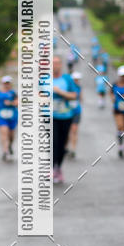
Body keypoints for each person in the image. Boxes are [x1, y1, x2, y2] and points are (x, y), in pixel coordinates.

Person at [52, 54, 78, 183]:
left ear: (61, 65)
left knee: (62, 144)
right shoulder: (44, 79)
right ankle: (52, 167)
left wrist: (60, 92)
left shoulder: (67, 79)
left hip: (66, 116)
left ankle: (58, 167)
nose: (55, 65)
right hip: (50, 116)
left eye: (57, 63)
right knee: (53, 142)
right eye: (52, 63)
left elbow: (74, 96)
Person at [0, 75, 18, 161]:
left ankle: (9, 145)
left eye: (8, 83)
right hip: (1, 116)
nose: (7, 85)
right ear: (2, 83)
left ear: (10, 84)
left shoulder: (13, 93)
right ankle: (5, 151)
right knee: (4, 132)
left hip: (12, 116)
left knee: (11, 136)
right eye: (5, 83)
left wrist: (11, 103)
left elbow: (18, 102)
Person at [66, 71, 82, 158]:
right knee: (67, 131)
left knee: (74, 130)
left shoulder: (79, 87)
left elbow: (81, 98)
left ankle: (73, 149)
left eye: (78, 79)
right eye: (75, 79)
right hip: (67, 111)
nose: (76, 81)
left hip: (76, 111)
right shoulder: (67, 87)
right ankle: (66, 147)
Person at [111, 65, 124, 158]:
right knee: (120, 127)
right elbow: (111, 94)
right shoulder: (115, 85)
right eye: (122, 75)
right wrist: (113, 98)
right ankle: (120, 147)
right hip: (118, 109)